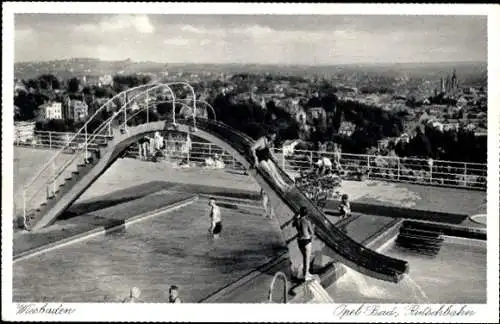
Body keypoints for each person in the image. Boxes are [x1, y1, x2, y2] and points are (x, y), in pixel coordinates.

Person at [293, 207, 315, 281]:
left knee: (304, 257)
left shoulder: (297, 221)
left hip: (299, 241)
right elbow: (312, 233)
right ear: (307, 214)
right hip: (306, 241)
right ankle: (306, 275)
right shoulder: (307, 221)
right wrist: (313, 227)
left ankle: (306, 273)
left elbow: (293, 225)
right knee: (307, 259)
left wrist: (296, 217)